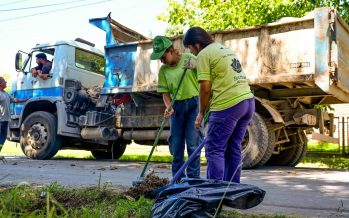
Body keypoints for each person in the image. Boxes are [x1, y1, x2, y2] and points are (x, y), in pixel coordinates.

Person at [183, 27, 255, 183]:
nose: (192, 52)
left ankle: (214, 193)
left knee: (214, 149)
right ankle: (231, 190)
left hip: (229, 104)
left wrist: (201, 113)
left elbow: (205, 89)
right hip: (248, 102)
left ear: (196, 44)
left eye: (189, 47)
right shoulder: (223, 49)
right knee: (233, 147)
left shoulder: (203, 54)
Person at [151, 35, 203, 181]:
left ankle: (193, 180)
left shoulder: (189, 58)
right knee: (177, 144)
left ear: (171, 50)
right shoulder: (163, 71)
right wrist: (169, 106)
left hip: (194, 105)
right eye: (159, 58)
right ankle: (178, 180)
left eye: (163, 56)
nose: (162, 60)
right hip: (176, 108)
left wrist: (196, 66)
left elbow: (204, 76)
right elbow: (165, 93)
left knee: (193, 144)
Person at [0, 77, 10, 152]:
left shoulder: (6, 93)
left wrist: (26, 100)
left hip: (6, 119)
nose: (6, 82)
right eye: (4, 82)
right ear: (0, 84)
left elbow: (14, 100)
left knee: (3, 137)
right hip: (1, 119)